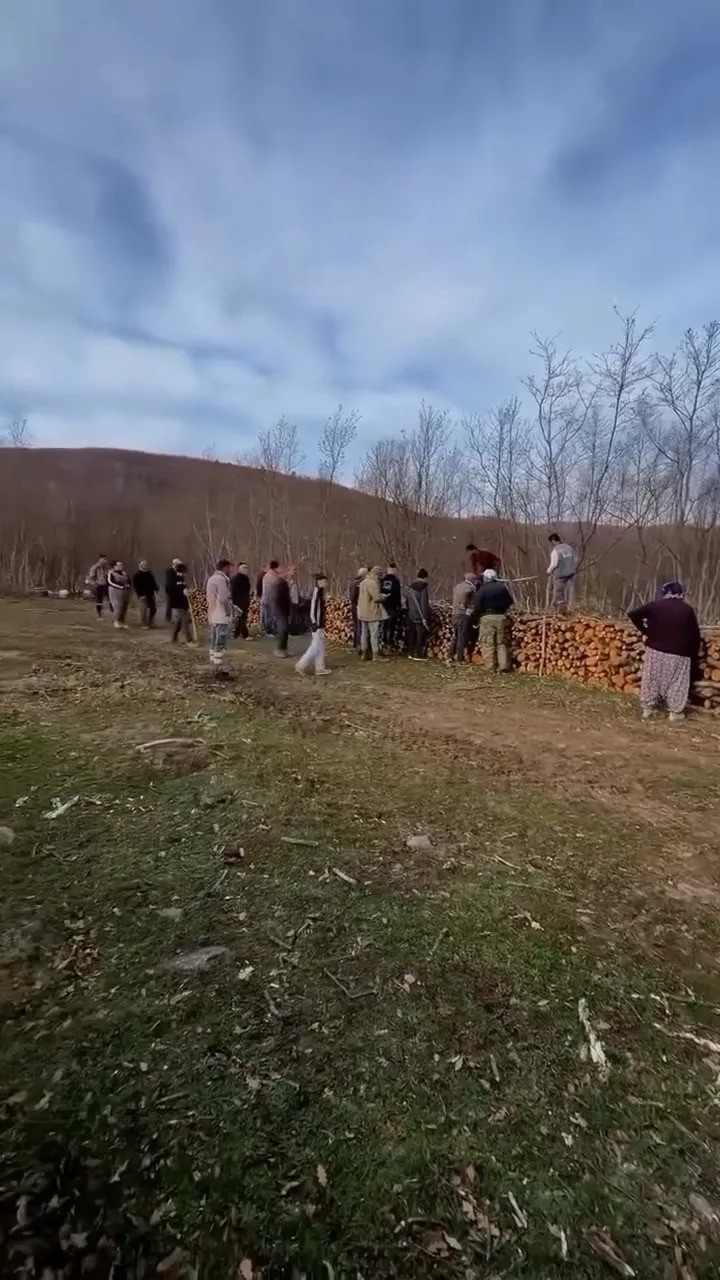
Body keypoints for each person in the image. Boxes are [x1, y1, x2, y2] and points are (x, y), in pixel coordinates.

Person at [628, 581, 701, 723]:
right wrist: (693, 653)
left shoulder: (655, 606)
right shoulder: (687, 610)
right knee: (677, 682)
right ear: (680, 593)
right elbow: (695, 635)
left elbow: (633, 614)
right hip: (679, 653)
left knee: (651, 678)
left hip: (655, 650)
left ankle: (647, 709)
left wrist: (646, 631)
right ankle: (675, 712)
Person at [470, 569, 514, 672]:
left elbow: (477, 606)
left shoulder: (483, 589)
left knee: (488, 642)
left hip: (487, 617)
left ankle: (490, 666)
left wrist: (475, 620)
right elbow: (510, 601)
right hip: (501, 617)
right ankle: (503, 665)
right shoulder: (502, 587)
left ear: (486, 578)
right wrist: (503, 609)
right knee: (501, 642)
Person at [296, 573, 331, 676]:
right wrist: (314, 622)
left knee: (320, 646)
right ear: (319, 581)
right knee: (315, 646)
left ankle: (320, 667)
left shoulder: (320, 591)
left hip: (319, 622)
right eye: (324, 581)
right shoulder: (316, 592)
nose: (326, 583)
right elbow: (313, 608)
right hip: (316, 623)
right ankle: (301, 664)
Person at [206, 558, 234, 681]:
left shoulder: (211, 578)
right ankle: (218, 670)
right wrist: (228, 610)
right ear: (225, 568)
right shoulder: (222, 580)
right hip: (220, 614)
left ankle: (214, 667)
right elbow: (223, 598)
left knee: (214, 642)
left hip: (213, 614)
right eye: (229, 568)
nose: (230, 570)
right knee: (220, 642)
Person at [262, 560, 291, 658]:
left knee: (282, 627)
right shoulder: (275, 579)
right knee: (282, 628)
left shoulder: (269, 577)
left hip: (277, 605)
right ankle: (280, 649)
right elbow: (274, 593)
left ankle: (282, 649)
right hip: (279, 605)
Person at [357, 565, 387, 662]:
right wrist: (384, 596)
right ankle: (375, 655)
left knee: (364, 633)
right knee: (374, 634)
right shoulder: (373, 583)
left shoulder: (363, 582)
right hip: (372, 612)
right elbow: (377, 597)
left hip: (363, 611)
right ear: (377, 574)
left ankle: (364, 653)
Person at [547, 534, 577, 613]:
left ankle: (562, 610)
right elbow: (575, 559)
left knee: (559, 592)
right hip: (571, 572)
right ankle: (571, 608)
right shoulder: (569, 548)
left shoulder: (556, 551)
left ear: (553, 541)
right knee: (570, 591)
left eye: (551, 542)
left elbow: (554, 564)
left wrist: (549, 571)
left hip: (561, 574)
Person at [450, 574, 476, 662]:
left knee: (456, 635)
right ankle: (459, 657)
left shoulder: (457, 587)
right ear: (472, 580)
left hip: (454, 614)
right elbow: (473, 604)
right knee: (462, 636)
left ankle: (450, 654)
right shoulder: (471, 589)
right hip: (463, 614)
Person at [406, 569, 431, 660]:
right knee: (420, 634)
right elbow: (424, 604)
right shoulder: (423, 588)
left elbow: (407, 602)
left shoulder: (411, 587)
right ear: (425, 577)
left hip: (411, 614)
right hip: (419, 615)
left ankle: (411, 652)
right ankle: (418, 653)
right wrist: (425, 616)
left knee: (412, 634)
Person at [168, 562, 194, 644]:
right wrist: (182, 591)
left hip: (183, 604)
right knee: (183, 622)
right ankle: (189, 640)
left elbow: (184, 589)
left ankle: (174, 638)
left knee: (179, 622)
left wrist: (188, 592)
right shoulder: (173, 579)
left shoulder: (183, 580)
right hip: (177, 604)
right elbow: (171, 591)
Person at [380, 563, 402, 651]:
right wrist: (399, 606)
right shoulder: (396, 581)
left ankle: (384, 642)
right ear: (395, 570)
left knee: (385, 625)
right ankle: (389, 643)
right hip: (393, 607)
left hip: (383, 606)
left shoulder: (382, 580)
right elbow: (398, 595)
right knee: (391, 626)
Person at [133, 560, 159, 627]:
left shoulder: (149, 573)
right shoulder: (137, 575)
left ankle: (150, 622)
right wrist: (140, 595)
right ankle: (144, 623)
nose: (145, 566)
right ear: (140, 565)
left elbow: (153, 583)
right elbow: (136, 586)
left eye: (146, 565)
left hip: (150, 593)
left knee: (153, 609)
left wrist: (156, 590)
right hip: (142, 594)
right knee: (143, 610)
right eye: (143, 564)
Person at [230, 561, 252, 639]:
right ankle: (243, 634)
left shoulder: (246, 578)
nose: (246, 569)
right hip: (239, 601)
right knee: (242, 618)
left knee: (242, 618)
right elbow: (233, 590)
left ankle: (238, 634)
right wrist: (234, 602)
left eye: (246, 568)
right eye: (244, 568)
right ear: (239, 569)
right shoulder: (236, 578)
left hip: (245, 600)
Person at [107, 561, 131, 629]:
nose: (121, 566)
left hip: (125, 592)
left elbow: (129, 581)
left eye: (121, 565)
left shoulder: (125, 573)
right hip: (115, 591)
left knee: (124, 607)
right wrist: (121, 586)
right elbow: (110, 582)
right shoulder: (111, 573)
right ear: (115, 566)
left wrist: (129, 586)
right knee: (118, 606)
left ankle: (122, 622)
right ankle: (116, 621)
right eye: (119, 565)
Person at [349, 567, 368, 651]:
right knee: (360, 626)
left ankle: (356, 644)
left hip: (353, 606)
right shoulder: (361, 583)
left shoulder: (353, 582)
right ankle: (359, 644)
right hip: (359, 606)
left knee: (356, 625)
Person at [87, 555, 110, 620]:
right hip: (98, 585)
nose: (105, 561)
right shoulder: (95, 567)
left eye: (105, 559)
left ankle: (111, 614)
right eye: (103, 559)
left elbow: (108, 575)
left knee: (109, 598)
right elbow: (91, 577)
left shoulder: (106, 567)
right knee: (99, 600)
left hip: (105, 585)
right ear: (100, 560)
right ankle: (99, 615)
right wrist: (94, 584)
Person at [164, 559, 182, 624]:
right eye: (177, 564)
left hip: (177, 590)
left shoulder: (178, 571)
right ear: (174, 564)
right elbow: (169, 582)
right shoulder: (169, 571)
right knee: (169, 605)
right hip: (170, 590)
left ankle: (176, 618)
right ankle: (168, 618)